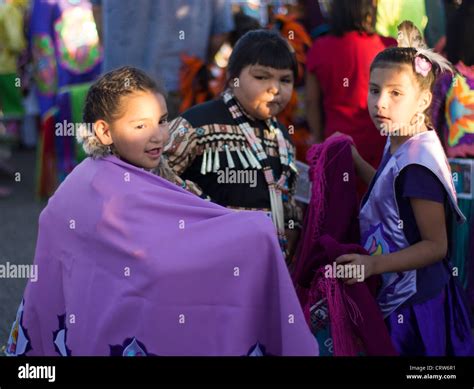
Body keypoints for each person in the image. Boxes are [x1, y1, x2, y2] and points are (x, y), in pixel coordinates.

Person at [5, 66, 318, 356]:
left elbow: (186, 225)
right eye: (141, 126)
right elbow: (155, 255)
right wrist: (254, 232)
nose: (158, 136)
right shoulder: (103, 187)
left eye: (162, 120)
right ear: (104, 131)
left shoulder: (118, 174)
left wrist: (246, 230)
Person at [335, 21, 474, 356]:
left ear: (424, 99)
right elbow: (390, 192)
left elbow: (436, 246)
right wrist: (353, 161)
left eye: (396, 93)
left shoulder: (418, 163)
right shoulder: (400, 138)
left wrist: (373, 266)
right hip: (403, 289)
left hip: (417, 304)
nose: (380, 103)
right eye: (374, 90)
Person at [165, 30, 302, 263]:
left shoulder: (283, 139)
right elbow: (155, 175)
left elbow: (288, 200)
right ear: (232, 77)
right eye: (261, 77)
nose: (275, 88)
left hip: (266, 264)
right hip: (206, 260)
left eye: (285, 80)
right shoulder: (196, 124)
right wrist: (207, 209)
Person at [305, 0, 396, 196]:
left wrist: (320, 139)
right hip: (379, 144)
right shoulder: (388, 47)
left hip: (336, 144)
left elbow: (311, 102)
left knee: (339, 211)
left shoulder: (319, 48)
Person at [91, 0, 234, 119]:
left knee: (113, 151)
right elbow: (220, 31)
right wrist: (197, 66)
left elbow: (97, 10)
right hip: (177, 87)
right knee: (174, 149)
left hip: (116, 86)